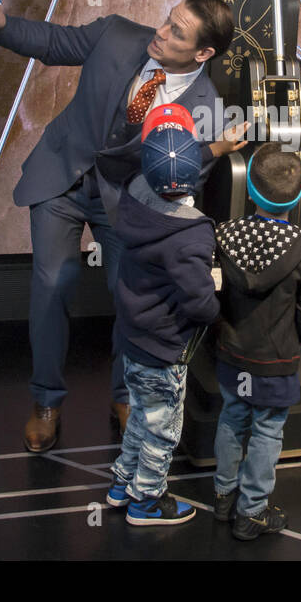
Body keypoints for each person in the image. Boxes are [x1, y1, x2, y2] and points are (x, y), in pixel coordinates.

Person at [0, 0, 243, 451]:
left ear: (202, 54)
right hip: (62, 178)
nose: (161, 31)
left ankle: (124, 394)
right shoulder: (117, 34)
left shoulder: (206, 108)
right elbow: (54, 43)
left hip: (127, 203)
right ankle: (46, 400)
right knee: (52, 285)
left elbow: (183, 182)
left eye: (177, 33)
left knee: (129, 296)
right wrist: (1, 24)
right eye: (167, 18)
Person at [104, 111, 219, 525]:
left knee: (141, 415)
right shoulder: (190, 234)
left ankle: (121, 484)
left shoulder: (133, 195)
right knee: (162, 431)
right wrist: (214, 305)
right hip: (165, 350)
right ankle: (147, 501)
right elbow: (199, 302)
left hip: (133, 339)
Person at [212, 142, 301, 540]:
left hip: (232, 354)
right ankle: (251, 512)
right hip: (277, 362)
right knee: (266, 431)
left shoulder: (224, 235)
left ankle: (223, 497)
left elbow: (215, 295)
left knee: (231, 419)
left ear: (251, 192)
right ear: (296, 197)